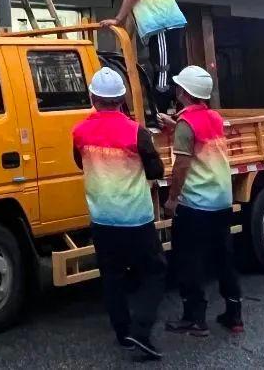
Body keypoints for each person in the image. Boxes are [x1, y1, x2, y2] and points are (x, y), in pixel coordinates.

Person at [73, 68, 166, 361]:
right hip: (136, 218)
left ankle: (123, 333)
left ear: (92, 97)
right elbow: (155, 170)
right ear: (122, 99)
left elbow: (80, 162)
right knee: (154, 270)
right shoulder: (135, 131)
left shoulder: (80, 132)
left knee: (111, 276)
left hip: (102, 218)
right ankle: (142, 329)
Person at [159, 66, 243, 337]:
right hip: (221, 200)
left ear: (184, 92)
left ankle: (195, 319)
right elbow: (199, 135)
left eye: (178, 87)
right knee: (223, 258)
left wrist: (172, 199)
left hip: (196, 204)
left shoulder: (186, 124)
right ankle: (234, 315)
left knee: (189, 260)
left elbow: (182, 164)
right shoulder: (214, 117)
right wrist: (176, 126)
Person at [94, 0, 187, 109]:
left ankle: (163, 111)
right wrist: (125, 43)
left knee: (163, 70)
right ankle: (170, 109)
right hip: (159, 28)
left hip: (162, 26)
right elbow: (132, 14)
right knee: (163, 69)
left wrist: (117, 20)